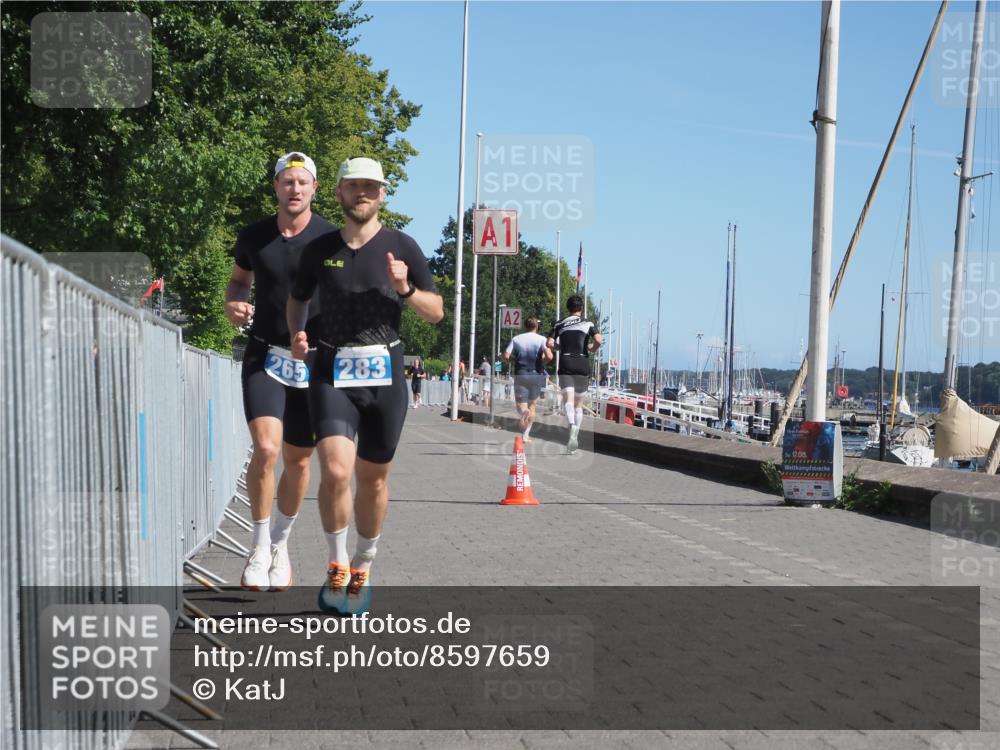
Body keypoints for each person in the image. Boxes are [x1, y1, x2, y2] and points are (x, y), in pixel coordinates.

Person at [288, 157, 443, 614]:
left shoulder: (403, 247)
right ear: (338, 192)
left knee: (373, 481)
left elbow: (436, 312)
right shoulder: (318, 249)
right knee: (335, 471)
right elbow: (297, 302)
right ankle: (336, 565)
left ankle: (363, 563)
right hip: (331, 368)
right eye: (354, 186)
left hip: (385, 375)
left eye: (371, 187)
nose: (363, 193)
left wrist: (406, 290)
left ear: (382, 195)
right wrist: (298, 335)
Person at [224, 151, 335, 592]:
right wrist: (234, 303)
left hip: (314, 360)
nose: (294, 189)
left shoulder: (332, 238)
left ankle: (280, 544)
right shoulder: (254, 236)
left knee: (299, 459)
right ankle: (257, 546)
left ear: (314, 189)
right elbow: (238, 281)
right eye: (287, 182)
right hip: (265, 353)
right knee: (266, 450)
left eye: (302, 183)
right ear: (275, 187)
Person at [548, 295, 602, 453]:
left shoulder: (560, 323)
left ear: (568, 308)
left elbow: (549, 343)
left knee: (568, 402)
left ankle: (570, 425)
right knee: (579, 405)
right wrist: (591, 349)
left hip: (566, 362)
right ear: (581, 309)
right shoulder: (588, 322)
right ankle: (575, 436)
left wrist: (560, 348)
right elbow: (598, 339)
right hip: (582, 363)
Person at [503, 317, 552, 442]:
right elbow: (550, 356)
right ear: (536, 326)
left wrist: (515, 361)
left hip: (521, 374)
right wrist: (542, 362)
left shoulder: (516, 339)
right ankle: (526, 435)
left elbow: (506, 355)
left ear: (525, 326)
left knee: (521, 406)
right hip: (536, 375)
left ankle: (524, 412)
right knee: (533, 406)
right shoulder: (542, 339)